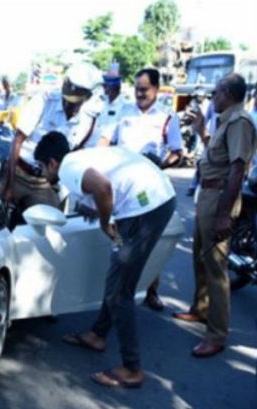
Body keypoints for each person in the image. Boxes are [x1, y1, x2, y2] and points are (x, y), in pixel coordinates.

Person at [35, 131, 176, 388]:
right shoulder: (80, 157)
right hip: (158, 196)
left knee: (119, 290)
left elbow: (102, 187)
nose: (43, 174)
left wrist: (104, 222)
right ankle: (97, 334)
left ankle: (132, 368)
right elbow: (102, 188)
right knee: (118, 281)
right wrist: (100, 209)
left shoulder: (67, 169)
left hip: (146, 208)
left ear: (53, 162)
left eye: (42, 167)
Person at [172, 74, 257, 357]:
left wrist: (223, 215)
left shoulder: (239, 122)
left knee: (216, 266)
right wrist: (200, 130)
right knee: (200, 255)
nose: (213, 98)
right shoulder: (224, 121)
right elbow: (215, 154)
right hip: (208, 195)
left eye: (217, 93)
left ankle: (217, 335)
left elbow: (237, 169)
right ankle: (201, 309)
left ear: (230, 94)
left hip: (220, 198)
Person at [98, 68, 183, 311]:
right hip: (122, 188)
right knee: (120, 239)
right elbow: (105, 140)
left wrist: (162, 163)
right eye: (136, 89)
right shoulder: (123, 112)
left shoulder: (168, 118)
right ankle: (114, 294)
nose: (139, 94)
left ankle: (149, 289)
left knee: (148, 243)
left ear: (156, 89)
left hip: (149, 191)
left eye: (144, 90)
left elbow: (177, 153)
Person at [3, 62, 101, 223]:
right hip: (19, 172)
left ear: (87, 97)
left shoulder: (90, 120)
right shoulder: (44, 100)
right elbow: (18, 140)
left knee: (50, 227)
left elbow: (82, 162)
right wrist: (9, 185)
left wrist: (86, 201)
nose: (69, 104)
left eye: (75, 101)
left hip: (45, 183)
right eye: (67, 99)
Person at [86, 63, 126, 147]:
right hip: (90, 145)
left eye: (105, 85)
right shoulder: (100, 101)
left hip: (108, 148)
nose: (103, 88)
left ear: (114, 86)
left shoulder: (124, 106)